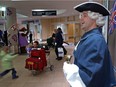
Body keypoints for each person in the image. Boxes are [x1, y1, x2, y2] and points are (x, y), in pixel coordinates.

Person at [63, 2, 116, 87]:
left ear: (94, 18)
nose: (81, 19)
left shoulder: (95, 40)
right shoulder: (90, 37)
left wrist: (69, 69)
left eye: (84, 15)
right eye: (80, 16)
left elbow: (91, 78)